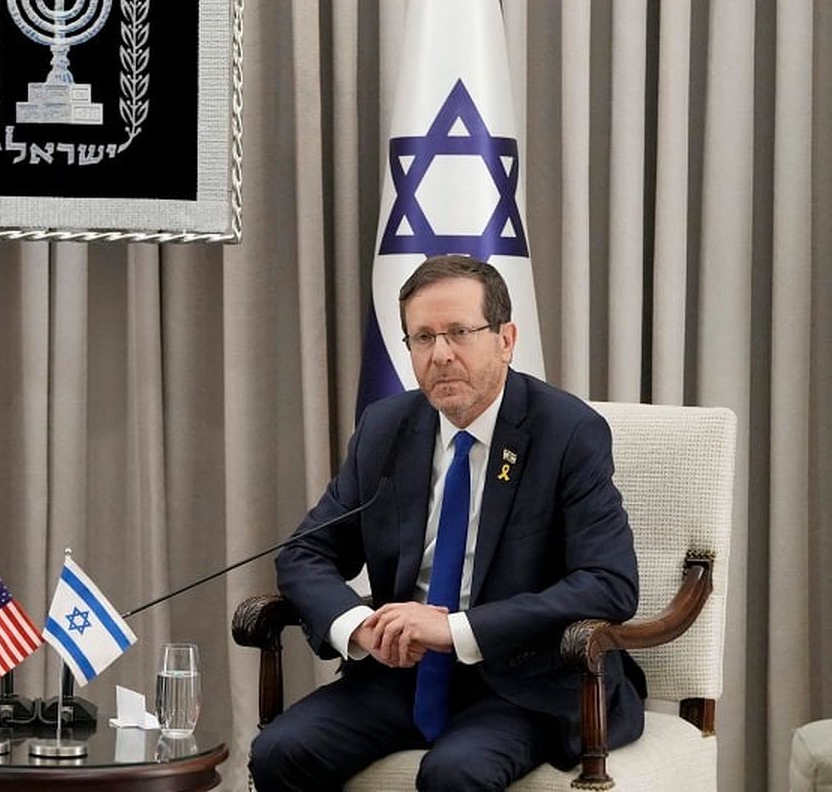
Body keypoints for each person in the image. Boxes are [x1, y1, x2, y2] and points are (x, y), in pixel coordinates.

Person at [250, 255, 645, 791]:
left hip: (522, 680)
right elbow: (304, 553)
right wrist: (358, 626)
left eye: (459, 332)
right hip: (401, 674)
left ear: (506, 339)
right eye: (423, 338)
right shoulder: (385, 428)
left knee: (455, 773)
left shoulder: (567, 432)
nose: (440, 355)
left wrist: (457, 629)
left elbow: (608, 583)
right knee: (280, 751)